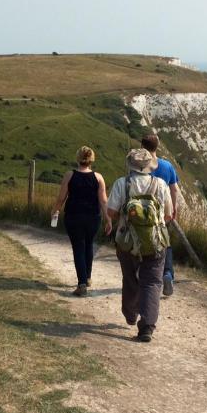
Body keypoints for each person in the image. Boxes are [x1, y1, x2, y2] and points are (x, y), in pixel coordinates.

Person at [106, 148, 173, 343]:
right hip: (156, 241)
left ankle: (130, 313)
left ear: (131, 165)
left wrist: (127, 219)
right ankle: (147, 328)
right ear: (149, 166)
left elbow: (111, 211)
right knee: (152, 282)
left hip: (127, 241)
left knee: (130, 278)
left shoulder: (122, 183)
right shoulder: (160, 184)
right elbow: (169, 214)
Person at [51, 146, 110, 296]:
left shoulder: (69, 175)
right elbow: (103, 201)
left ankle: (82, 284)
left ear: (78, 158)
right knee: (89, 244)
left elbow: (61, 198)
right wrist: (108, 219)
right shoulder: (98, 177)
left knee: (78, 247)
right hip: (93, 217)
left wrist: (55, 210)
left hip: (74, 216)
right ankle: (87, 277)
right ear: (91, 159)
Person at [141, 134, 179, 297]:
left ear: (143, 147)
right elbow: (174, 189)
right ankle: (167, 274)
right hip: (163, 212)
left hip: (143, 212)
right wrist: (174, 208)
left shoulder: (139, 166)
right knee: (165, 243)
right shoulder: (167, 165)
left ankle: (143, 276)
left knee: (142, 241)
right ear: (157, 147)